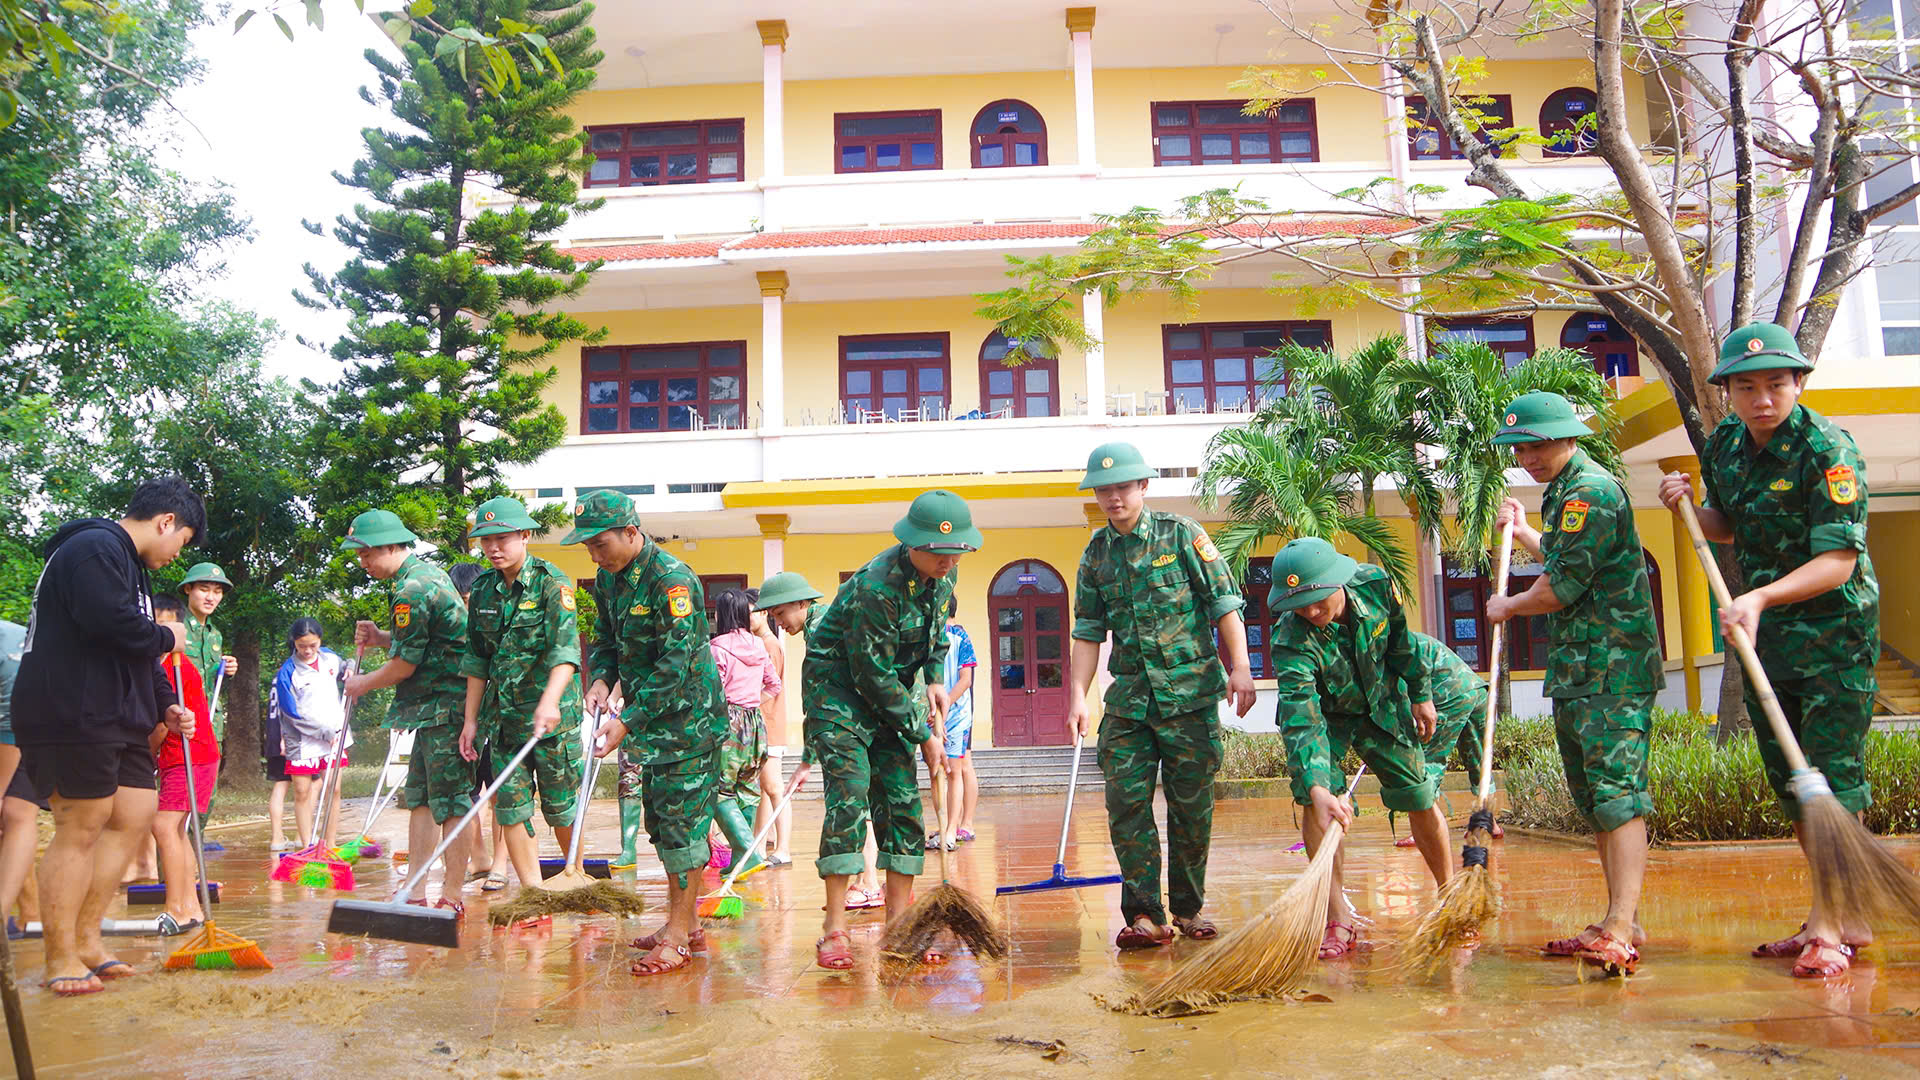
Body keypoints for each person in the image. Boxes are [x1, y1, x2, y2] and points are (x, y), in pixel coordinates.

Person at [1658, 323, 1881, 979]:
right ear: (1727, 392)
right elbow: (1730, 526)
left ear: (1799, 384)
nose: (1762, 400)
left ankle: (1831, 925)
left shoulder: (1828, 450)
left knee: (1832, 779)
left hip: (1835, 635)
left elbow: (1839, 560)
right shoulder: (1726, 446)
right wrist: (1687, 509)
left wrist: (1755, 597)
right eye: (1747, 387)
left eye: (1776, 385)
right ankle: (1839, 915)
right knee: (1792, 780)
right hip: (1768, 636)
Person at [1490, 391, 1664, 978]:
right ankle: (1620, 919)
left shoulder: (1590, 491)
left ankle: (1622, 927)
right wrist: (1525, 533)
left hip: (1612, 671)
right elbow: (1568, 559)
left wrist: (1508, 606)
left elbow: (1560, 588)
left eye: (1537, 446)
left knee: (1618, 796)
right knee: (1595, 802)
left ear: (1567, 436)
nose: (1528, 458)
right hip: (1580, 670)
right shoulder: (1565, 492)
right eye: (1520, 449)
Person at [13, 475, 201, 994]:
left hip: (119, 715)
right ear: (166, 522)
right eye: (181, 541)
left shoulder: (130, 568)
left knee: (135, 813)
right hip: (70, 708)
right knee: (82, 823)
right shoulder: (94, 546)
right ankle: (60, 956)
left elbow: (138, 653)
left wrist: (167, 704)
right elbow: (107, 622)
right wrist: (167, 634)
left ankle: (88, 940)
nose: (175, 554)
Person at [1067, 443, 1256, 950]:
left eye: (1122, 487)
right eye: (1103, 490)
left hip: (1189, 698)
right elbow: (1088, 631)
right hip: (1129, 701)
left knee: (1191, 809)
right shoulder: (1096, 555)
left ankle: (1188, 909)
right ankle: (1145, 915)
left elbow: (1223, 604)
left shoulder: (1182, 534)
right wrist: (1079, 696)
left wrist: (1241, 667)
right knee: (1126, 806)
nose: (1113, 497)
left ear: (1143, 486)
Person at [1264, 538, 1462, 958]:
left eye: (1317, 601)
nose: (1310, 613)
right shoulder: (1290, 638)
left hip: (1381, 703)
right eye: (1299, 605)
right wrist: (1319, 787)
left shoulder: (1374, 586)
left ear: (1336, 581)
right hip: (1327, 718)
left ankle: (1450, 899)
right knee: (1314, 800)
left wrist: (1421, 694)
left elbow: (1401, 644)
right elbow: (1301, 714)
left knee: (1419, 794)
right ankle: (1337, 918)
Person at [804, 490, 975, 971]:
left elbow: (936, 635)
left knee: (902, 801)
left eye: (956, 553)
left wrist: (935, 678)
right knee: (850, 794)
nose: (948, 562)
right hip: (839, 694)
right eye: (939, 553)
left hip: (891, 694)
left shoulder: (944, 574)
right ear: (913, 544)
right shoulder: (875, 588)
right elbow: (871, 675)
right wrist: (923, 734)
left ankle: (901, 927)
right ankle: (834, 928)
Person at [567, 490, 728, 977]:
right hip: (650, 723)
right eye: (588, 547)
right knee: (660, 823)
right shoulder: (608, 579)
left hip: (689, 724)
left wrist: (626, 720)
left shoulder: (672, 580)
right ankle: (685, 926)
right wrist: (600, 678)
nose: (594, 556)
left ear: (631, 532)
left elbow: (676, 662)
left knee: (683, 829)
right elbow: (607, 639)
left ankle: (677, 938)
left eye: (600, 544)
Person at [340, 509, 473, 918]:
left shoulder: (412, 589)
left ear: (390, 546)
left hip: (447, 709)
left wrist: (362, 683)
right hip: (430, 710)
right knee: (420, 799)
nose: (362, 562)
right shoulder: (420, 578)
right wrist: (381, 637)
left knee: (452, 803)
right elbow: (422, 643)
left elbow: (405, 666)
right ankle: (414, 890)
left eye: (366, 553)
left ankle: (452, 895)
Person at [458, 498, 583, 912]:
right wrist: (471, 721)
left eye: (502, 539)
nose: (493, 548)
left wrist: (549, 703)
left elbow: (565, 653)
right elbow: (477, 660)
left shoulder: (552, 584)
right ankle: (534, 894)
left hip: (553, 721)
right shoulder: (482, 590)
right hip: (505, 721)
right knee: (510, 807)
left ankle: (575, 879)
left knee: (561, 808)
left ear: (525, 535)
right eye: (486, 541)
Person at [148, 596, 217, 936]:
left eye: (168, 626)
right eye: (155, 625)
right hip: (188, 758)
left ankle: (177, 907)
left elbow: (164, 725)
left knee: (163, 826)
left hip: (191, 757)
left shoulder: (174, 668)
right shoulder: (159, 664)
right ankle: (190, 906)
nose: (161, 632)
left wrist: (146, 755)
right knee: (175, 830)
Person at [707, 588, 778, 881]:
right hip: (755, 724)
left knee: (716, 791)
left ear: (721, 614)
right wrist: (751, 703)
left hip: (728, 724)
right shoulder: (759, 645)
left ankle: (747, 852)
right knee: (747, 791)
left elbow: (714, 692)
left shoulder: (717, 647)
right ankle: (741, 859)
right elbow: (774, 685)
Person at [446, 560, 508, 890]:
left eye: (469, 600)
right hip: (463, 722)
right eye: (459, 601)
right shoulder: (447, 628)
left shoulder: (497, 623)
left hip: (498, 719)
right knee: (467, 793)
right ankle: (479, 858)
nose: (464, 608)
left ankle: (501, 863)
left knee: (501, 792)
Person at [273, 617, 349, 850]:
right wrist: (323, 732)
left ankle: (331, 844)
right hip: (302, 739)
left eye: (313, 645)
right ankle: (307, 847)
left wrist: (351, 668)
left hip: (335, 733)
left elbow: (347, 666)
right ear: (294, 642)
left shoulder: (330, 658)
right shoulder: (287, 673)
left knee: (334, 789)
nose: (307, 651)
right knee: (302, 791)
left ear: (320, 641)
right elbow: (292, 714)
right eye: (302, 646)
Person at [746, 588, 795, 867]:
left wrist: (746, 703)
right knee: (764, 788)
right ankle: (759, 845)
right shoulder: (760, 643)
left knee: (774, 787)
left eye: (750, 613)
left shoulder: (769, 645)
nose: (746, 618)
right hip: (762, 725)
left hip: (770, 725)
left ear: (763, 613)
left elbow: (770, 686)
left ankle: (783, 848)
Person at [929, 598, 978, 850]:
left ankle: (953, 829)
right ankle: (943, 824)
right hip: (929, 714)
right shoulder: (925, 637)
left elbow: (965, 679)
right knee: (935, 771)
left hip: (956, 715)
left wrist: (945, 706)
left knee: (954, 770)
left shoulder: (960, 637)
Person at [177, 563, 237, 754]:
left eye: (217, 592)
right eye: (204, 590)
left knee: (211, 774)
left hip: (212, 725)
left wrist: (225, 670)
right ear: (188, 589)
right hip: (182, 723)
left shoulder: (215, 635)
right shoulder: (175, 626)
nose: (211, 597)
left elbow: (210, 681)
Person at [262, 679, 292, 852]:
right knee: (313, 783)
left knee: (280, 784)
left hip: (273, 736)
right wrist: (284, 737)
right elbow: (287, 708)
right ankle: (303, 836)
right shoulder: (293, 672)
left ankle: (277, 837)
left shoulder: (277, 676)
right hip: (287, 738)